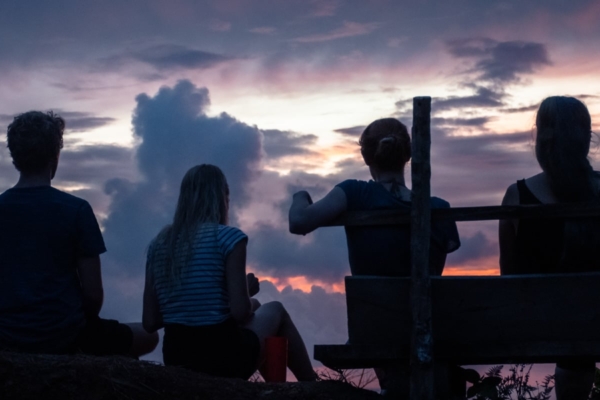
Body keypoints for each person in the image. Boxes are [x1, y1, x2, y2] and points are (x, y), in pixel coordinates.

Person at [288, 118, 461, 396]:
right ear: (408, 155)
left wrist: (300, 195)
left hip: (372, 329)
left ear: (365, 156)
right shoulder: (438, 208)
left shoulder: (355, 193)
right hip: (429, 330)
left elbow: (298, 222)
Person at [0, 111, 158, 357]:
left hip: (6, 336)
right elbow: (93, 295)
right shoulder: (76, 210)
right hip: (67, 336)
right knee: (149, 337)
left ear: (14, 158)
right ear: (55, 155)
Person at [143, 164, 316, 381]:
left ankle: (279, 385)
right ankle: (311, 384)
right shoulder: (228, 238)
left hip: (177, 358)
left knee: (258, 309)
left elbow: (149, 321)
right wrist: (246, 291)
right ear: (223, 197)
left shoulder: (158, 245)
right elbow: (240, 313)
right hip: (223, 359)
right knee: (276, 310)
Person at [499, 96, 599, 400]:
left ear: (542, 138)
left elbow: (508, 276)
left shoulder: (517, 195)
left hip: (537, 324)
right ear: (584, 138)